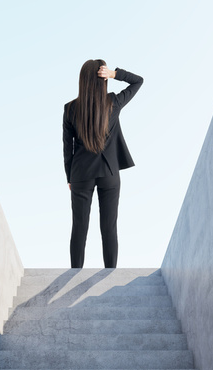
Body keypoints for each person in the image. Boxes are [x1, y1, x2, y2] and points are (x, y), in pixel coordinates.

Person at [63, 59, 143, 268]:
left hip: (80, 174)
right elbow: (138, 81)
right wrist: (115, 74)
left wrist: (69, 176)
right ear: (102, 79)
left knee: (79, 228)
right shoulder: (113, 102)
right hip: (109, 172)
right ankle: (110, 274)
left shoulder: (70, 109)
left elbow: (67, 149)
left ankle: (74, 274)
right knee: (109, 228)